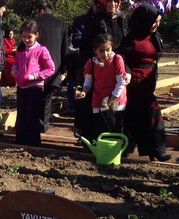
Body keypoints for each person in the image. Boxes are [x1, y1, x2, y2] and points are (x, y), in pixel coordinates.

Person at [119, 3, 170, 161]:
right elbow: (122, 58)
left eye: (159, 22)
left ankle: (127, 149)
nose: (157, 25)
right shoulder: (132, 39)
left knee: (134, 116)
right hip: (137, 83)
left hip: (148, 81)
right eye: (155, 21)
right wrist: (127, 72)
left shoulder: (152, 35)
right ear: (144, 20)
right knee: (153, 113)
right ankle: (158, 149)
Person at [11, 20, 55, 147]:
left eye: (29, 37)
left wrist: (35, 76)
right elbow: (16, 62)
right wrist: (14, 69)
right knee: (22, 114)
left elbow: (50, 68)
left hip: (34, 87)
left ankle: (33, 143)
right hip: (21, 86)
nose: (26, 40)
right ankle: (20, 141)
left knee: (32, 115)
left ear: (36, 35)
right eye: (23, 37)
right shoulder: (20, 49)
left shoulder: (41, 50)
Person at [76, 34, 126, 142]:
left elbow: (121, 83)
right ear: (95, 50)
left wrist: (110, 101)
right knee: (99, 128)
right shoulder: (91, 63)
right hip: (98, 98)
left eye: (108, 50)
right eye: (101, 50)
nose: (105, 54)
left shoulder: (117, 60)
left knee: (115, 129)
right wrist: (84, 92)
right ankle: (101, 152)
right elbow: (88, 81)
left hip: (116, 99)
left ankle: (116, 153)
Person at [34, 1, 69, 133]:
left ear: (40, 11)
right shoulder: (62, 25)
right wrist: (64, 70)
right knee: (47, 98)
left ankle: (33, 123)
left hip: (35, 67)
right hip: (54, 67)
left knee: (34, 97)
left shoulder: (34, 22)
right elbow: (65, 50)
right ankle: (43, 124)